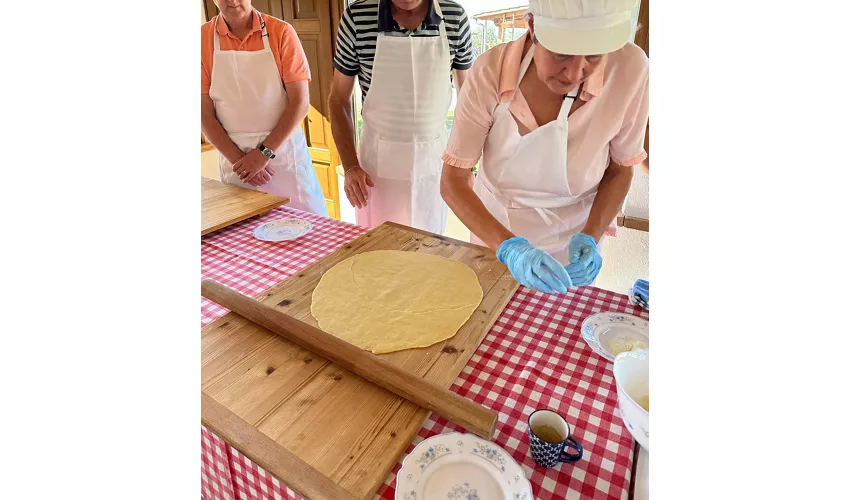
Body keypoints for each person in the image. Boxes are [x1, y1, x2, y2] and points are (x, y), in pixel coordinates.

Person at [440, 0, 648, 294]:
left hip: (577, 238)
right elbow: (453, 181)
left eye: (594, 56)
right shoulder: (490, 72)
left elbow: (620, 169)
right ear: (533, 26)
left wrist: (590, 235)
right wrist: (510, 248)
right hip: (498, 231)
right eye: (561, 54)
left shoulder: (630, 70)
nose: (574, 73)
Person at [329, 0, 474, 233]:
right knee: (380, 253)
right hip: (376, 172)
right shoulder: (358, 17)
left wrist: (465, 165)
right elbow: (338, 100)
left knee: (430, 251)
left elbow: (467, 102)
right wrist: (350, 166)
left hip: (433, 167)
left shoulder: (454, 17)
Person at [201, 0, 327, 215]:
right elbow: (203, 114)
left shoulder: (282, 32)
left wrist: (263, 155)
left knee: (307, 233)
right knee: (245, 239)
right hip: (236, 162)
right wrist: (240, 161)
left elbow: (300, 103)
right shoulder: (201, 40)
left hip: (284, 156)